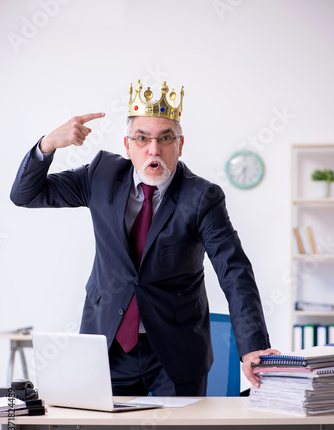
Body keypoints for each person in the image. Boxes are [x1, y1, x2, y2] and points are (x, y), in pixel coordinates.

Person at [10, 80, 279, 396]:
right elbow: (25, 195)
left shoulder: (202, 197)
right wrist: (48, 144)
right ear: (127, 145)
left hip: (176, 352)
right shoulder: (100, 175)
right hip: (108, 347)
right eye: (142, 138)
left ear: (180, 145)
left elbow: (234, 271)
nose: (154, 149)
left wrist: (252, 348)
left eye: (165, 138)